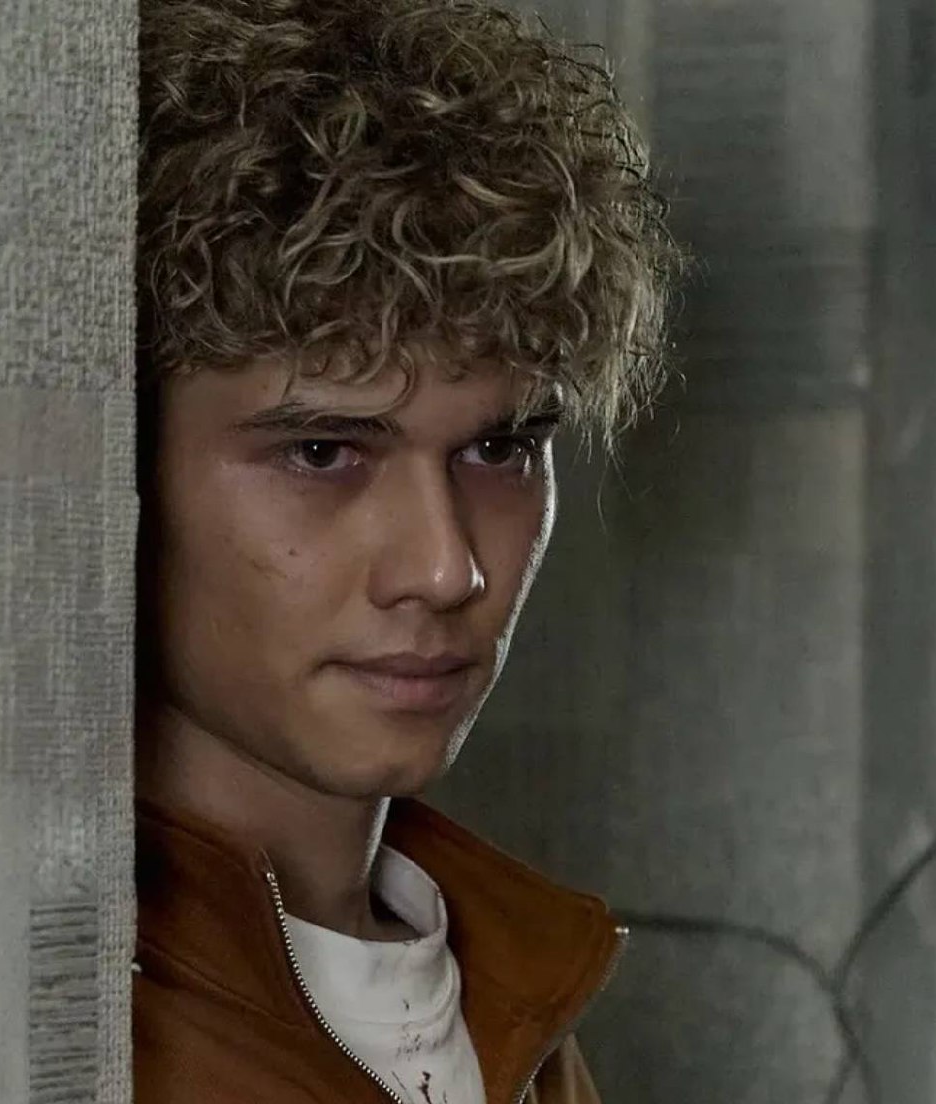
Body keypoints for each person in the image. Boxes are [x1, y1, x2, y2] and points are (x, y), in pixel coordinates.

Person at [132, 0, 681, 1100]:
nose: (446, 569)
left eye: (498, 448)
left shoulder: (517, 986)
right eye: (322, 452)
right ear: (123, 480)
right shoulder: (43, 1016)